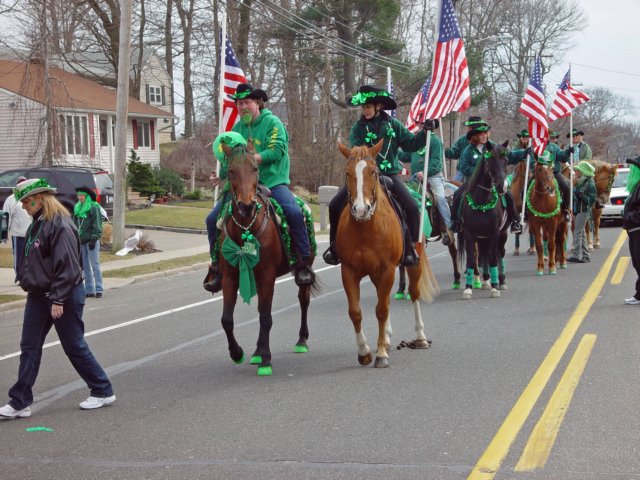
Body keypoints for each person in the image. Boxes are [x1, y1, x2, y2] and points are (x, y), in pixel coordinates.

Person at [0, 179, 115, 420]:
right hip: (38, 295)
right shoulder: (38, 223)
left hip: (63, 295)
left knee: (73, 344)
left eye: (26, 201)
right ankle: (20, 401)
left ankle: (102, 390)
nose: (22, 206)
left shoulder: (60, 224)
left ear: (40, 198)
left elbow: (68, 267)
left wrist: (59, 300)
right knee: (29, 347)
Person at [205, 83, 315, 292]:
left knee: (293, 211)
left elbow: (277, 150)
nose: (243, 107)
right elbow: (230, 160)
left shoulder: (272, 123)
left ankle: (301, 263)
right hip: (243, 186)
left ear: (257, 103)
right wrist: (219, 176)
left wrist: (250, 160)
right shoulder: (236, 129)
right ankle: (217, 267)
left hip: (273, 183)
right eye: (239, 103)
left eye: (247, 102)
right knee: (212, 220)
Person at [323, 85, 436, 266]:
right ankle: (334, 248)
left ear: (378, 107)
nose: (365, 110)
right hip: (364, 177)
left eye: (368, 106)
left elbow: (411, 144)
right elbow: (357, 153)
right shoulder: (357, 128)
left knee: (413, 207)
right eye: (363, 107)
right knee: (335, 204)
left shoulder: (394, 125)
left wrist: (425, 132)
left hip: (391, 173)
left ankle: (410, 248)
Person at [449, 122, 524, 234]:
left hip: (492, 181)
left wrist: (524, 152)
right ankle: (456, 221)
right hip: (472, 181)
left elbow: (509, 155)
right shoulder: (468, 151)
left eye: (485, 133)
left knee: (508, 194)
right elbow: (463, 166)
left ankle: (515, 221)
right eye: (481, 133)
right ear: (474, 136)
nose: (484, 135)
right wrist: (477, 173)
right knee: (458, 194)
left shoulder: (493, 147)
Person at [398, 132, 455, 245]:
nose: (420, 125)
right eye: (419, 122)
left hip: (433, 177)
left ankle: (448, 228)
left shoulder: (435, 141)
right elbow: (405, 156)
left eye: (422, 123)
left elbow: (435, 162)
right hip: (415, 179)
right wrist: (393, 150)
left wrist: (425, 172)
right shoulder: (416, 141)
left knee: (439, 198)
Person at [74, 187, 104, 298]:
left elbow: (97, 224)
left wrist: (94, 238)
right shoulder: (77, 208)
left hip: (92, 241)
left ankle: (99, 289)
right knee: (85, 266)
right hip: (81, 241)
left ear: (86, 197)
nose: (80, 197)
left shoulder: (94, 207)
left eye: (82, 195)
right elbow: (74, 225)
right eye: (78, 195)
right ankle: (89, 289)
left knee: (95, 265)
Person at [2, 176, 30, 281]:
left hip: (30, 233)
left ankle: (27, 276)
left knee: (29, 256)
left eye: (24, 183)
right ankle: (19, 276)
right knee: (18, 257)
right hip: (17, 234)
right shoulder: (11, 199)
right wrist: (4, 234)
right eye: (20, 183)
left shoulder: (31, 196)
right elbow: (6, 216)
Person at [567, 161, 597, 263]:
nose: (576, 172)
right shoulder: (582, 182)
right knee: (582, 233)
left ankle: (576, 255)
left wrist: (580, 195)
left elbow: (591, 200)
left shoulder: (590, 184)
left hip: (583, 210)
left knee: (577, 232)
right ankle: (586, 256)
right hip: (578, 210)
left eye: (578, 170)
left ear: (584, 171)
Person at [446, 116, 487, 182]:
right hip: (463, 173)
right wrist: (445, 151)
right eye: (469, 127)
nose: (468, 128)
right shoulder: (463, 140)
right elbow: (455, 153)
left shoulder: (488, 143)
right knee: (453, 189)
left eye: (470, 127)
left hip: (483, 175)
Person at [622, 155, 640, 305]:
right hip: (634, 230)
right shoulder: (637, 186)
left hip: (638, 229)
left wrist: (630, 216)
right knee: (637, 263)